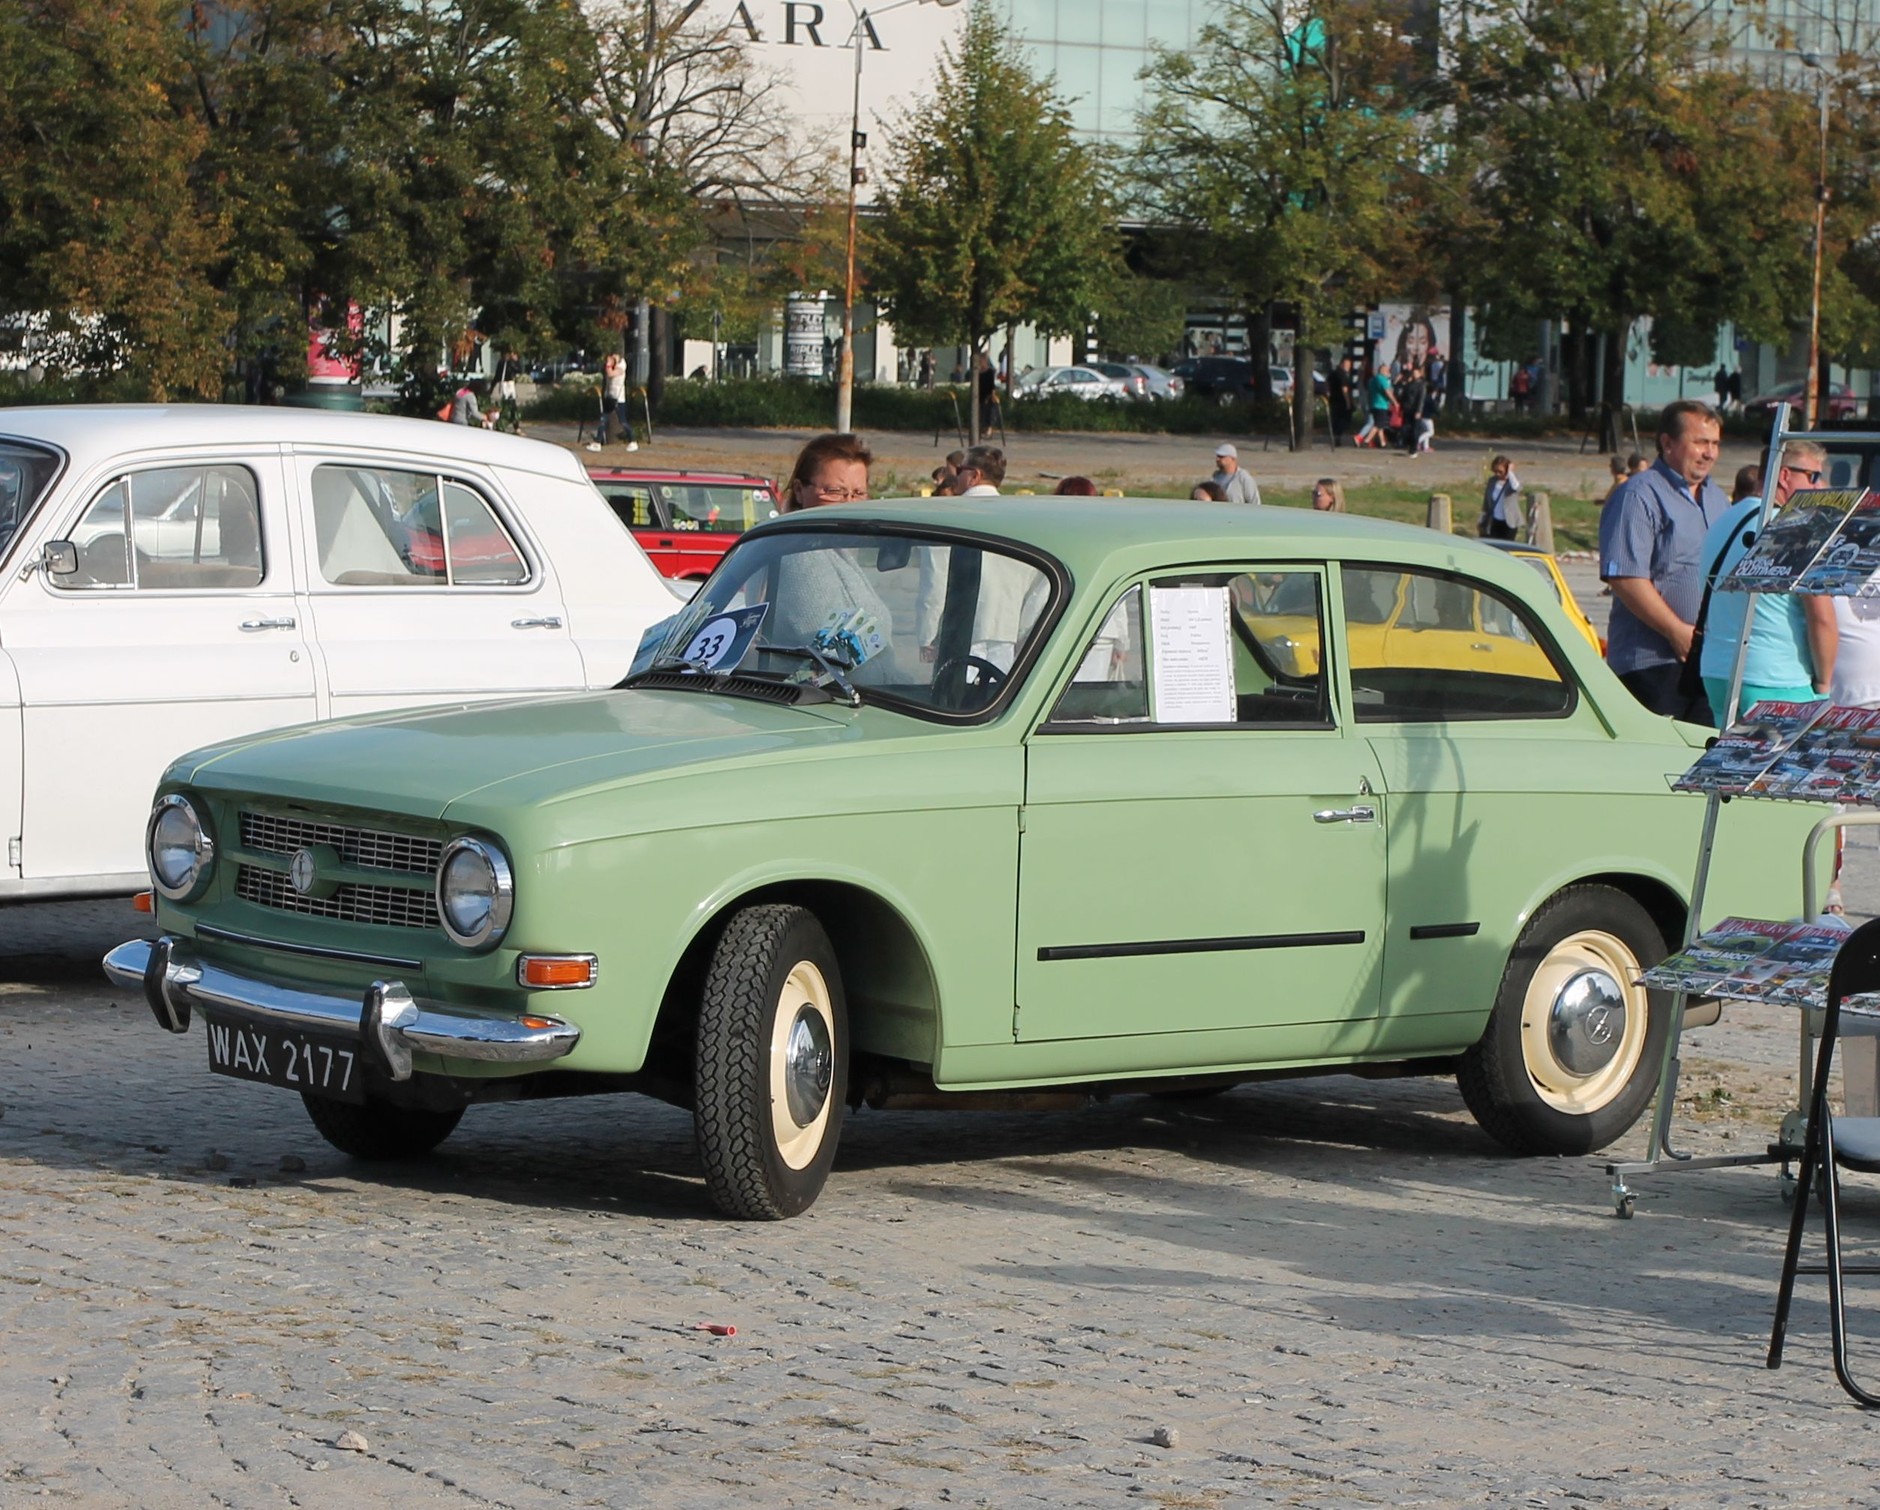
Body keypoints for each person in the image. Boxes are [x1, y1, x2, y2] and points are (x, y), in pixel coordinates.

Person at [1598, 399, 1732, 719]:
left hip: (1707, 662)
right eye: (1700, 442)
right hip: (1652, 666)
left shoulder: (1717, 497)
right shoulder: (1638, 495)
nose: (1709, 453)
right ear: (1667, 443)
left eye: (1715, 444)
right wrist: (1676, 631)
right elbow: (1625, 578)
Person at [1697, 440, 1836, 725]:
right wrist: (1823, 684)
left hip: (1718, 672)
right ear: (1784, 475)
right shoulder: (1796, 527)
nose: (1819, 487)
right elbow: (1821, 618)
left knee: (1733, 767)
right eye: (1813, 476)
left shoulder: (1726, 519)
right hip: (1776, 676)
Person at [780, 431, 872, 512]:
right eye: (835, 491)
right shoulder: (778, 531)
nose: (849, 503)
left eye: (859, 493)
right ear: (799, 490)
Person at [1478, 456, 1522, 539]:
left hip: (1509, 521)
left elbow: (1517, 488)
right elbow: (1487, 501)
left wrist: (1510, 472)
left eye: (1500, 471)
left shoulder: (1512, 482)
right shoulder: (1492, 480)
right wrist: (1482, 517)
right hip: (1494, 520)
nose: (1497, 474)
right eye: (1495, 471)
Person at [589, 353, 625, 451]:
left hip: (618, 398)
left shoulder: (621, 367)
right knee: (603, 419)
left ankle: (631, 439)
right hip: (610, 397)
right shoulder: (615, 366)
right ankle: (597, 442)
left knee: (623, 421)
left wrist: (609, 364)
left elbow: (610, 373)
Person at [1356, 366, 1393, 447]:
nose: (1389, 372)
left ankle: (1383, 443)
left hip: (1372, 404)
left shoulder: (1371, 380)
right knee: (1377, 424)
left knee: (1379, 424)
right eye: (1387, 370)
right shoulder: (1382, 379)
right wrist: (1395, 402)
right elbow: (1388, 392)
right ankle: (1365, 439)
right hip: (1381, 405)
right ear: (1383, 371)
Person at [1327, 356, 1354, 446]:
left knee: (1335, 420)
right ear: (1342, 364)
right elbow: (1344, 389)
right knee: (1343, 421)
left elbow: (1327, 386)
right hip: (1341, 401)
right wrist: (1348, 402)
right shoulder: (1342, 375)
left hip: (1333, 400)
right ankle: (1337, 439)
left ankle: (1334, 438)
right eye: (1347, 365)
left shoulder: (1332, 374)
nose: (1349, 367)